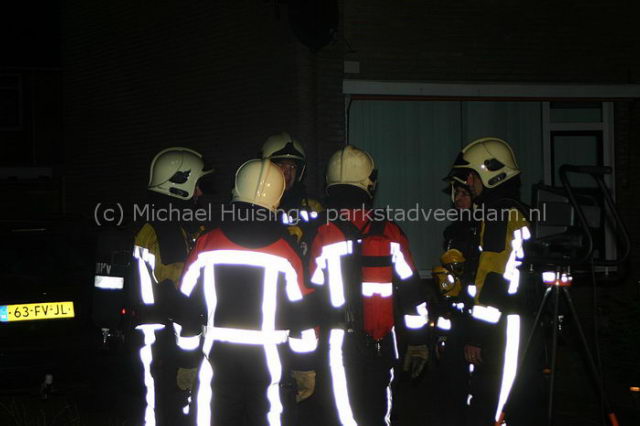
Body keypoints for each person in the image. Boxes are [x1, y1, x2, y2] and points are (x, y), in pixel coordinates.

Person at [173, 158, 317, 425]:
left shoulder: (206, 242)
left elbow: (186, 309)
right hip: (270, 367)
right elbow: (303, 318)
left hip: (215, 364)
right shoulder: (288, 250)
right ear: (277, 198)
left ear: (236, 190)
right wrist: (304, 368)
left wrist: (186, 361)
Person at [305, 145, 429, 426]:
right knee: (379, 415)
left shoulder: (318, 232)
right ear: (369, 183)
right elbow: (412, 292)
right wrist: (419, 341)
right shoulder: (390, 230)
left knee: (342, 417)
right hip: (382, 344)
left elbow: (307, 296)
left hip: (335, 344)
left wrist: (303, 357)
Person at [446, 137, 539, 426]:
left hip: (506, 323)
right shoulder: (510, 210)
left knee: (499, 405)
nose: (469, 183)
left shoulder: (499, 213)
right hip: (512, 319)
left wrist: (478, 336)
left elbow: (493, 278)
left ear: (490, 174)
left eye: (471, 176)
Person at [131, 147, 214, 426]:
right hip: (165, 342)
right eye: (196, 186)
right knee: (166, 410)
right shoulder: (167, 231)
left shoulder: (158, 221)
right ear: (179, 187)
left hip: (155, 335)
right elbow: (182, 295)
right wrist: (189, 358)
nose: (199, 193)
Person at [429, 182, 480, 426]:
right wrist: (442, 333)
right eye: (456, 194)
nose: (458, 199)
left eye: (464, 194)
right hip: (454, 319)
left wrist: (474, 335)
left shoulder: (485, 231)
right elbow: (447, 286)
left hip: (475, 321)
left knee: (476, 390)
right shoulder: (453, 233)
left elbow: (480, 284)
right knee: (451, 389)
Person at [260, 132, 323, 245]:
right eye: (281, 165)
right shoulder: (256, 204)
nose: (288, 172)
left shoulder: (312, 208)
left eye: (292, 167)